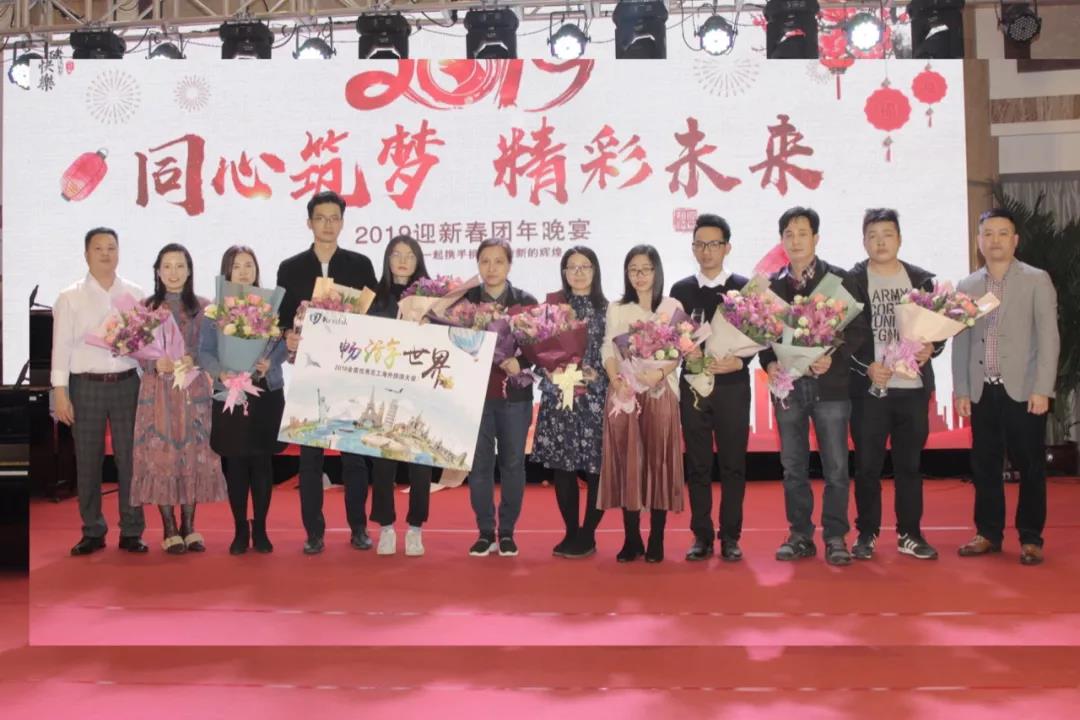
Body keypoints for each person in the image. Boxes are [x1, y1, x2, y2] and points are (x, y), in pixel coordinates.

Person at [759, 207, 868, 566]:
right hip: (789, 388)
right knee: (793, 467)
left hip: (830, 387)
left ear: (816, 238)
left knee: (836, 467)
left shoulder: (839, 280)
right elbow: (761, 337)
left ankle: (835, 536)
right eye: (788, 234)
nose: (795, 241)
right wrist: (769, 362)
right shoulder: (771, 287)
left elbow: (857, 330)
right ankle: (800, 534)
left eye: (802, 233)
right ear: (781, 240)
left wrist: (832, 356)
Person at [953, 208, 1059, 566]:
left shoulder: (1036, 280)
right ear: (978, 241)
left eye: (1002, 233)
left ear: (1015, 240)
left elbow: (1049, 338)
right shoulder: (967, 286)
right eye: (988, 234)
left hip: (1025, 391)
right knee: (984, 465)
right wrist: (962, 389)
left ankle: (1030, 538)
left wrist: (1043, 388)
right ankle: (988, 533)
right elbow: (961, 341)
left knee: (1030, 466)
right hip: (983, 389)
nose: (994, 240)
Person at [277, 190, 378, 555]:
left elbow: (373, 318)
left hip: (349, 374)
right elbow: (280, 320)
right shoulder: (290, 268)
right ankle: (313, 532)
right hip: (309, 374)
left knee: (354, 457)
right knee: (310, 459)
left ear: (342, 223)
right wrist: (288, 336)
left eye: (334, 218)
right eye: (321, 218)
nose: (328, 225)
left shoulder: (360, 265)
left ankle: (358, 527)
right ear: (309, 223)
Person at [847, 208, 943, 561]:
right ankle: (867, 533)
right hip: (871, 391)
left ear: (899, 239)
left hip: (912, 389)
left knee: (910, 467)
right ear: (864, 242)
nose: (880, 242)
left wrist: (933, 347)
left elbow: (937, 330)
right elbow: (842, 335)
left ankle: (910, 534)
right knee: (867, 467)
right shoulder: (851, 282)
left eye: (887, 234)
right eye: (872, 236)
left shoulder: (921, 280)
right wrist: (867, 367)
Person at [52, 228, 148, 556]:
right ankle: (92, 530)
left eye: (111, 248)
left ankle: (132, 530)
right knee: (88, 460)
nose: (106, 253)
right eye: (98, 248)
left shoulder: (135, 293)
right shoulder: (70, 296)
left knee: (130, 460)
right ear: (86, 254)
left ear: (118, 252)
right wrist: (60, 392)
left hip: (127, 384)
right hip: (86, 386)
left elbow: (144, 345)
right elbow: (61, 347)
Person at [129, 244, 225, 553]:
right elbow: (134, 350)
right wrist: (152, 362)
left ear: (189, 270)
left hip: (192, 391)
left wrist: (192, 359)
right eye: (167, 266)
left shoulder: (205, 308)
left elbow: (211, 349)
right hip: (157, 392)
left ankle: (190, 526)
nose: (173, 272)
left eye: (180, 266)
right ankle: (169, 528)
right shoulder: (145, 308)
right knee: (162, 457)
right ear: (158, 271)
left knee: (192, 455)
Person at [670, 214, 751, 563]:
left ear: (727, 247)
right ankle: (701, 535)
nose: (707, 251)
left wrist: (741, 361)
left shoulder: (744, 289)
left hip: (732, 386)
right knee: (698, 465)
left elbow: (758, 337)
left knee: (733, 464)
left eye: (714, 244)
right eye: (700, 244)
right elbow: (672, 337)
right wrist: (684, 350)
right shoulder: (680, 290)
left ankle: (731, 536)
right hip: (693, 387)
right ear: (693, 248)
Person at [198, 246, 288, 555]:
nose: (244, 271)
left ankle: (260, 527)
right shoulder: (215, 311)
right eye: (237, 266)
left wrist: (270, 362)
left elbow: (283, 345)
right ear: (227, 272)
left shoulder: (270, 307)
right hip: (230, 393)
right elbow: (204, 352)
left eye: (249, 265)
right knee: (235, 465)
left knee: (262, 463)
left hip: (265, 392)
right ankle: (239, 528)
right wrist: (220, 372)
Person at [599, 245, 685, 564]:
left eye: (645, 269)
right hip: (626, 394)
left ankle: (657, 537)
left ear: (656, 271)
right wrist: (615, 379)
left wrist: (658, 373)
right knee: (629, 463)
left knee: (658, 462)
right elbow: (608, 348)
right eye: (633, 269)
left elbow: (680, 350)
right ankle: (631, 537)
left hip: (661, 391)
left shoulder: (672, 306)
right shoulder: (617, 308)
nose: (639, 275)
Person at [531, 246, 609, 559]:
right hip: (559, 397)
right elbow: (536, 349)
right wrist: (548, 371)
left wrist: (596, 373)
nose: (578, 272)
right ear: (563, 272)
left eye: (584, 266)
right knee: (563, 468)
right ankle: (571, 532)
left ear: (595, 271)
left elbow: (616, 355)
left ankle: (588, 534)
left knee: (596, 469)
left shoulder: (608, 310)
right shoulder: (551, 310)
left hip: (593, 398)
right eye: (571, 267)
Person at [464, 238, 538, 558]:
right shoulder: (465, 302)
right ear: (478, 264)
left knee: (512, 465)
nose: (491, 268)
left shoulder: (525, 302)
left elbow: (541, 346)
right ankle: (485, 532)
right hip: (475, 396)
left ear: (509, 265)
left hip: (515, 397)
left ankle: (507, 532)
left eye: (498, 261)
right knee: (479, 466)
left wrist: (521, 362)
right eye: (485, 261)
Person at [369, 235, 434, 557]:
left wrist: (432, 324)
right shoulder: (375, 298)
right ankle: (385, 527)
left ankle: (415, 528)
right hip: (384, 388)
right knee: (383, 461)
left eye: (410, 255)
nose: (403, 260)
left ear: (418, 259)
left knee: (420, 461)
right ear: (388, 259)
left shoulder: (433, 299)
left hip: (421, 389)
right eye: (397, 254)